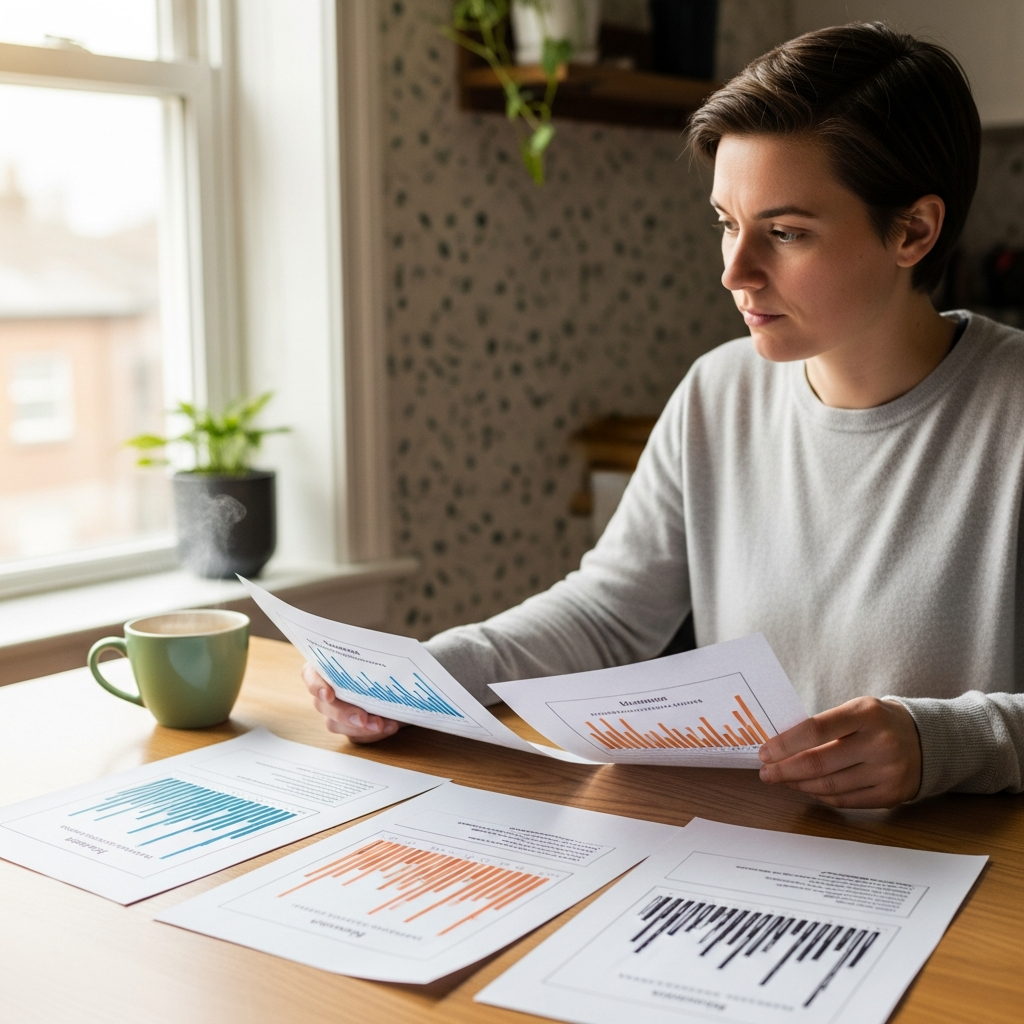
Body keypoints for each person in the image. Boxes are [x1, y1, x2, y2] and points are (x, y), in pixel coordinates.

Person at [304, 21, 1024, 808]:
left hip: (972, 884)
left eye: (785, 232)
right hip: (750, 852)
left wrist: (947, 741)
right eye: (726, 223)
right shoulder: (717, 393)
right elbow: (608, 615)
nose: (735, 271)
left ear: (913, 230)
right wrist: (436, 672)